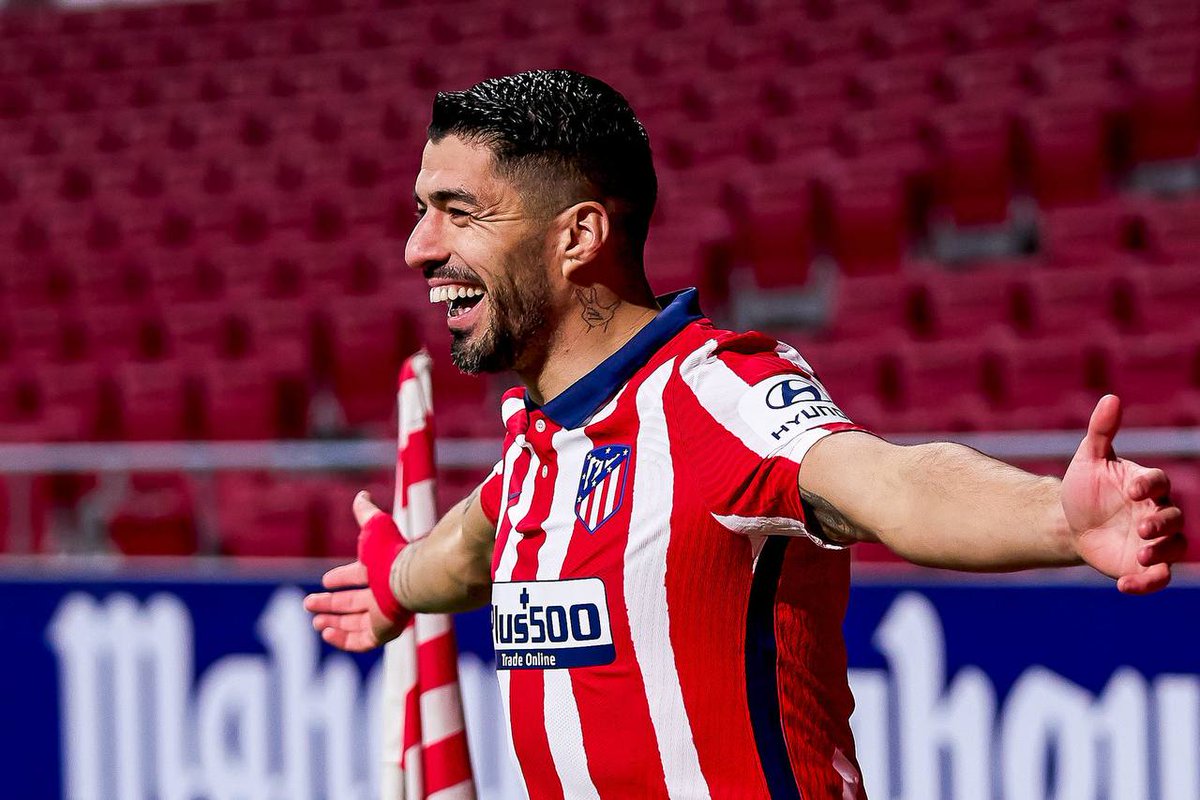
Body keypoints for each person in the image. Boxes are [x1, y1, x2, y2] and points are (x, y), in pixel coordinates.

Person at [303, 70, 1187, 799]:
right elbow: (474, 545)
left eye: (458, 212)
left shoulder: (716, 393)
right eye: (421, 210)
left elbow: (885, 482)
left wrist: (1055, 518)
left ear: (578, 236)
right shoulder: (540, 443)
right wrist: (394, 583)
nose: (419, 248)